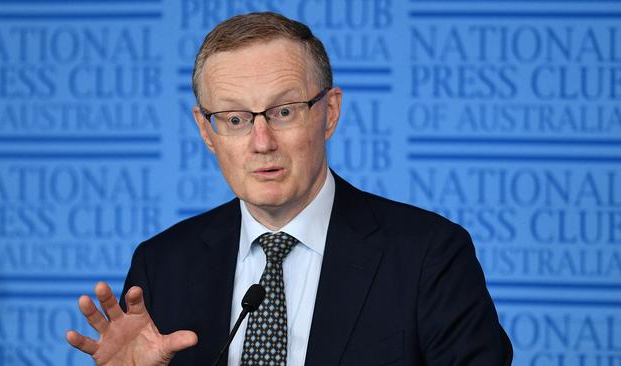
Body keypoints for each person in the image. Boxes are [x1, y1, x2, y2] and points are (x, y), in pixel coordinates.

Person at [66, 12, 513, 366]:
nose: (262, 143)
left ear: (330, 112)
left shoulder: (429, 255)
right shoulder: (162, 263)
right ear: (206, 130)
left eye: (283, 111)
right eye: (236, 118)